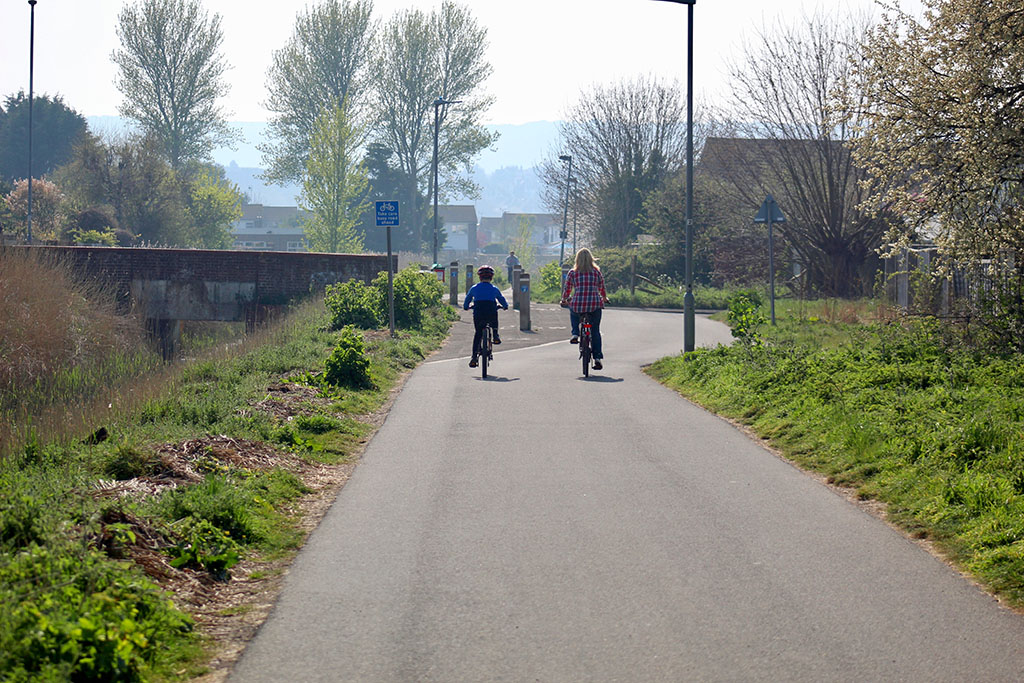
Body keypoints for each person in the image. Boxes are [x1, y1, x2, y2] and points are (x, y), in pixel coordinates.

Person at [560, 248, 609, 370]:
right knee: (595, 331)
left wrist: (564, 299)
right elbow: (602, 287)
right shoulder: (596, 272)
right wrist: (604, 298)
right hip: (594, 304)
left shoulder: (573, 272)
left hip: (578, 304)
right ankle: (597, 358)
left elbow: (567, 289)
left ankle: (575, 333)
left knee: (573, 312)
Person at [464, 264, 508, 368]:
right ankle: (496, 334)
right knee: (494, 319)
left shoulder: (474, 288)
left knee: (478, 334)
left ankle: (474, 357)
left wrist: (466, 307)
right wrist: (505, 306)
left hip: (478, 312)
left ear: (480, 277)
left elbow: (468, 299)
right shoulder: (494, 288)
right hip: (490, 311)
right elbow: (501, 298)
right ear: (491, 277)